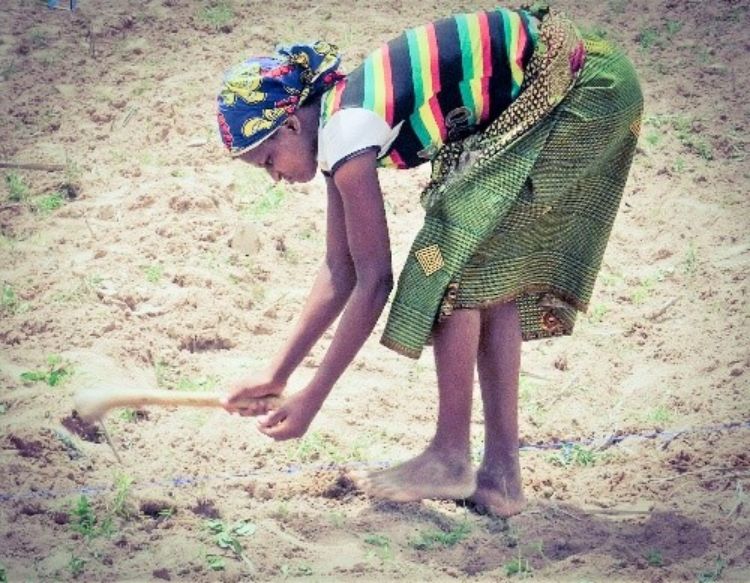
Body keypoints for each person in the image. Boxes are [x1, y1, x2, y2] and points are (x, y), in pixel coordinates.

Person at [218, 6, 643, 516]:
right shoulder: (337, 128)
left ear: (289, 124)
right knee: (485, 275)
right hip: (567, 87)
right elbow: (340, 269)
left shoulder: (346, 130)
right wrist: (278, 375)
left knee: (444, 265)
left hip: (581, 90)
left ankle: (449, 454)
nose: (275, 178)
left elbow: (374, 282)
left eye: (268, 161)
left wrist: (312, 397)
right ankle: (501, 478)